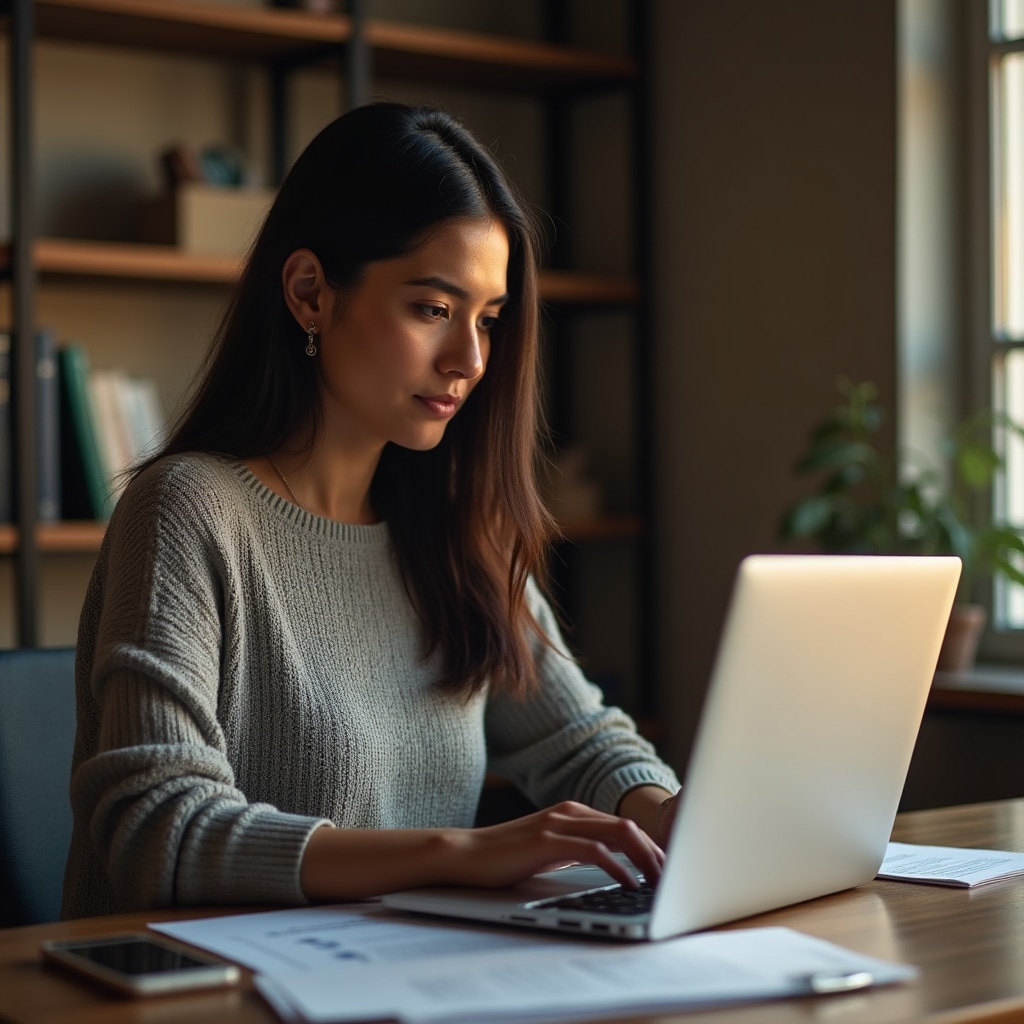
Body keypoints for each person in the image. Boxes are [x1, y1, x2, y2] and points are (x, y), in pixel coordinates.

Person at [61, 102, 681, 920]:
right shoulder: (188, 512)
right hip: (209, 989)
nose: (469, 360)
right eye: (432, 309)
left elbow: (577, 738)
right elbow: (158, 830)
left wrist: (667, 815)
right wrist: (462, 853)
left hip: (401, 976)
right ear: (311, 293)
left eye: (488, 321)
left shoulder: (458, 524)